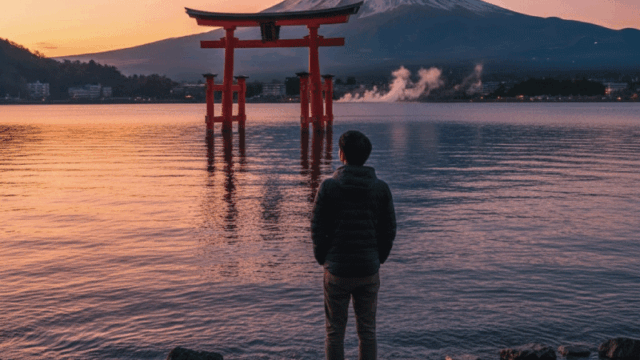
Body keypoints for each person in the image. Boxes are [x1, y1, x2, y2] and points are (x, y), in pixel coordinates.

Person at [312, 130, 397, 360]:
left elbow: (317, 229)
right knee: (368, 332)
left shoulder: (328, 187)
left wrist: (324, 259)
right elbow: (389, 230)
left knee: (334, 333)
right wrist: (378, 257)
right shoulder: (381, 189)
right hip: (368, 269)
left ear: (341, 154)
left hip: (336, 270)